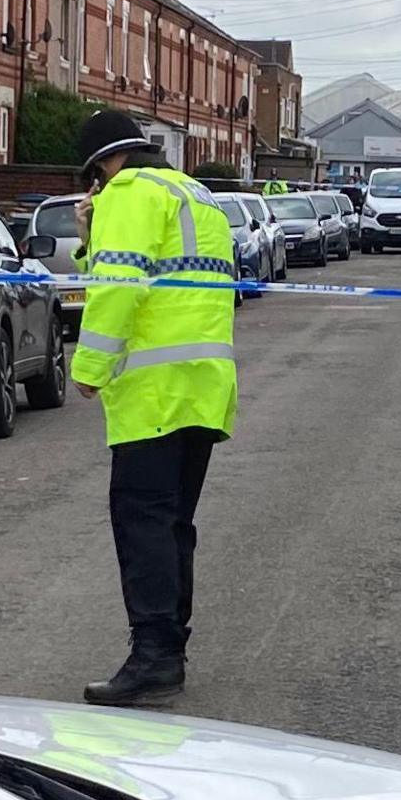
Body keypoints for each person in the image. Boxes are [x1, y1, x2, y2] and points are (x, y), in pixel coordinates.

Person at [67, 109, 237, 706]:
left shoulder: (129, 194)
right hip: (205, 386)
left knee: (142, 525)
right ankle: (170, 649)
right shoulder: (198, 195)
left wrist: (88, 369)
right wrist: (92, 240)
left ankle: (154, 657)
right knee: (173, 526)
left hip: (152, 392)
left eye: (96, 177)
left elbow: (117, 285)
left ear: (103, 166)